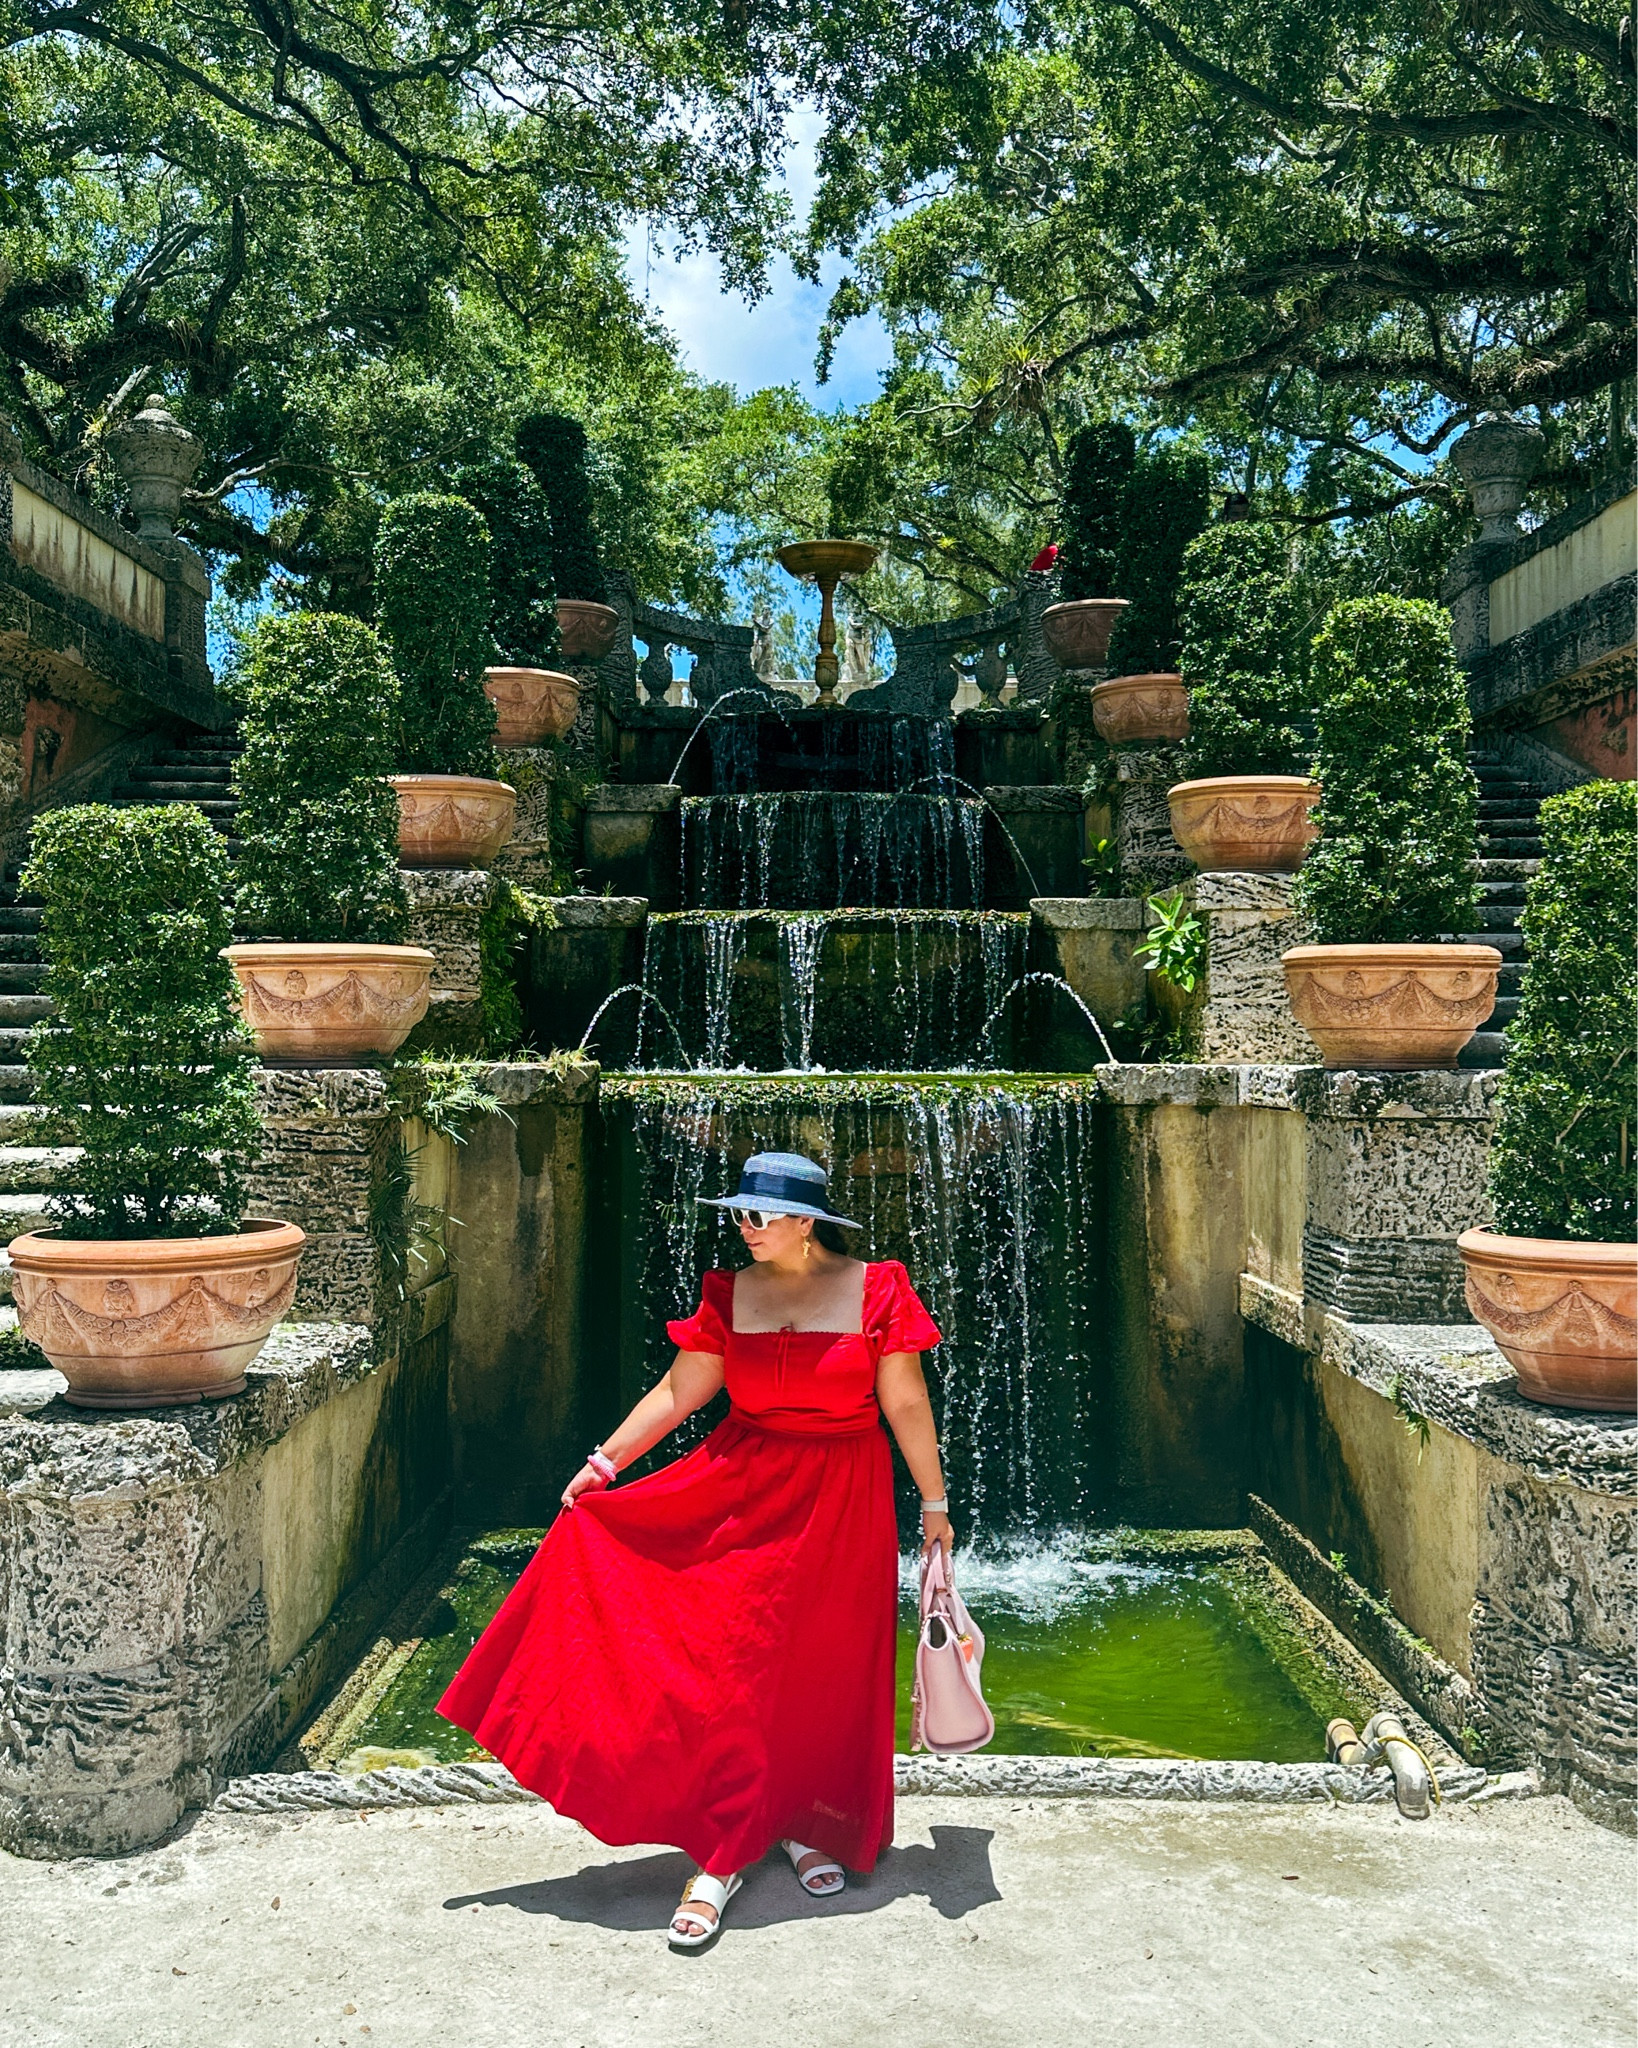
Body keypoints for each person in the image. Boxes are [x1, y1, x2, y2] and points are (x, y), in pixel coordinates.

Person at [436, 1150, 953, 1950]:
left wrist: (934, 1502)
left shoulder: (878, 1288)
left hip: (843, 1499)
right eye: (740, 1214)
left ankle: (801, 1824)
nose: (746, 1229)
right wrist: (603, 1464)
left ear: (809, 1222)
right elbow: (681, 1393)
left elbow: (907, 1402)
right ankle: (721, 1854)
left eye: (763, 1215)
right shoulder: (730, 1292)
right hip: (740, 1488)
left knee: (817, 1670)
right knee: (730, 1670)